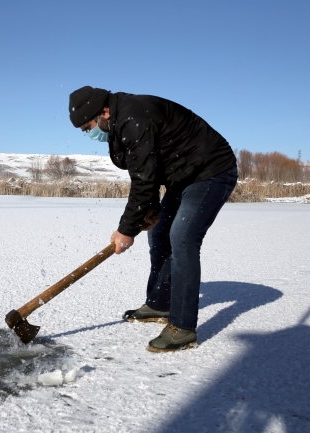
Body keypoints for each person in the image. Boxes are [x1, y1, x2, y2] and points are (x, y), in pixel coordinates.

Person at [69, 86, 237, 352]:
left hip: (211, 172)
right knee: (158, 232)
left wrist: (126, 229)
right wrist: (147, 212)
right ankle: (160, 303)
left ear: (103, 112)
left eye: (88, 126)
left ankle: (182, 328)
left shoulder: (134, 117)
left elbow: (144, 179)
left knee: (182, 237)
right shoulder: (119, 123)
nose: (88, 133)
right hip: (181, 176)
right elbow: (146, 168)